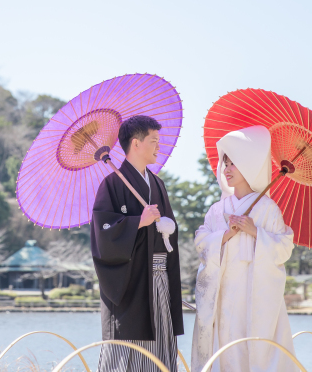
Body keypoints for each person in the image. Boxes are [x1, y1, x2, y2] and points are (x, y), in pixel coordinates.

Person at [190, 125, 297, 372]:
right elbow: (201, 242)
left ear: (249, 164)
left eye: (233, 164)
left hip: (254, 292)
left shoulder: (267, 208)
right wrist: (225, 235)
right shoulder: (217, 209)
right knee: (224, 344)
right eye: (225, 164)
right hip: (223, 290)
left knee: (252, 345)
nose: (226, 169)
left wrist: (255, 231)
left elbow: (283, 248)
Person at [91, 115, 184, 372]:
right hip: (131, 283)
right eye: (154, 140)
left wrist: (168, 227)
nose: (158, 146)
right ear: (135, 143)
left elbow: (167, 235)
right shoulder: (112, 184)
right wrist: (137, 223)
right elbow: (102, 237)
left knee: (160, 344)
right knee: (128, 347)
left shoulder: (158, 184)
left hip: (160, 279)